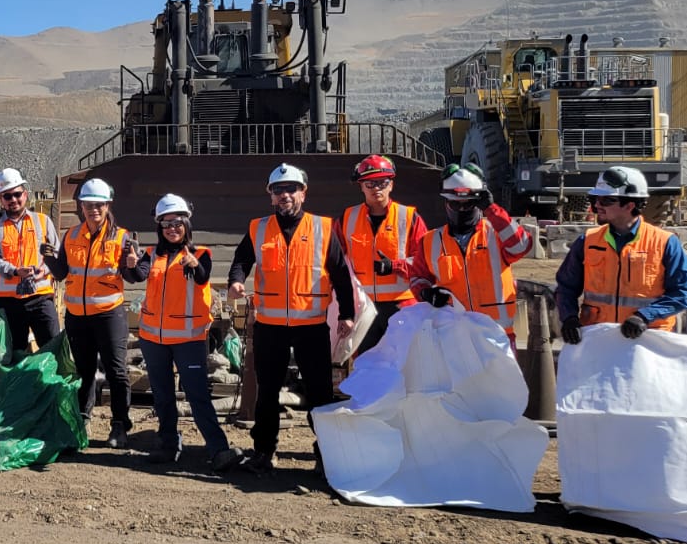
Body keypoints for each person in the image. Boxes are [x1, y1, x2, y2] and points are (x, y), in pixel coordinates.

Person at [227, 163, 356, 474]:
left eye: (291, 189)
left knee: (320, 393)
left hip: (311, 326)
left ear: (303, 192)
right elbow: (242, 260)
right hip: (270, 327)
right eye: (278, 190)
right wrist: (235, 280)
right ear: (270, 196)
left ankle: (326, 453)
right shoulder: (258, 228)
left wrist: (348, 314)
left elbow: (340, 274)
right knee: (267, 391)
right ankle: (264, 450)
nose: (285, 195)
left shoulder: (323, 228)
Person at [124, 194, 242, 470]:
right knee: (163, 395)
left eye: (177, 222)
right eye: (166, 224)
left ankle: (218, 448)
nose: (172, 228)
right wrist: (130, 266)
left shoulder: (201, 254)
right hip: (154, 340)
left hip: (189, 340)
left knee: (197, 395)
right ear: (159, 228)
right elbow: (137, 275)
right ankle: (167, 444)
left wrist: (192, 263)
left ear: (186, 225)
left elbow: (202, 276)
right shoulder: (150, 255)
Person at [41, 179, 134, 448]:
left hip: (108, 315)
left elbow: (133, 274)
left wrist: (132, 263)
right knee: (84, 370)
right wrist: (49, 258)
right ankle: (83, 418)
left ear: (107, 206)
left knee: (116, 371)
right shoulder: (71, 236)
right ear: (81, 206)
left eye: (99, 205)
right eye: (88, 205)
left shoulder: (121, 236)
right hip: (77, 316)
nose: (93, 209)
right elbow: (62, 273)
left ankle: (119, 424)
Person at [555, 166, 687, 344]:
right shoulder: (587, 241)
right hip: (598, 338)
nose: (597, 205)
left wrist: (644, 317)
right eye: (595, 199)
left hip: (647, 342)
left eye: (606, 200)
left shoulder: (665, 243)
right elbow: (565, 287)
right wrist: (569, 318)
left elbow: (682, 293)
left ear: (629, 205)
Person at [405, 163, 534, 346]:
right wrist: (426, 292)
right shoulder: (430, 241)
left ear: (478, 203)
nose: (462, 210)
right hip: (453, 335)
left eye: (468, 204)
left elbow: (521, 246)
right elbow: (417, 277)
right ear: (446, 203)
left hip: (496, 335)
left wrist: (492, 209)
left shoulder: (496, 235)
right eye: (455, 204)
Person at [337, 155, 428, 357]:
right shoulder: (347, 218)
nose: (376, 188)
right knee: (364, 365)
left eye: (382, 182)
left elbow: (425, 263)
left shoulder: (409, 217)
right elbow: (334, 261)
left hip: (402, 306)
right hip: (363, 308)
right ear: (361, 186)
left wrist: (395, 266)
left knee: (404, 365)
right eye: (370, 183)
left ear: (391, 185)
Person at [0, 167, 61, 354]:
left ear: (25, 194)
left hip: (41, 297)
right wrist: (15, 271)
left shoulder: (43, 221)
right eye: (7, 196)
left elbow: (56, 253)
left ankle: (52, 384)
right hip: (10, 303)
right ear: (1, 200)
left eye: (17, 194)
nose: (13, 200)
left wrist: (45, 270)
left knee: (53, 348)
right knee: (13, 353)